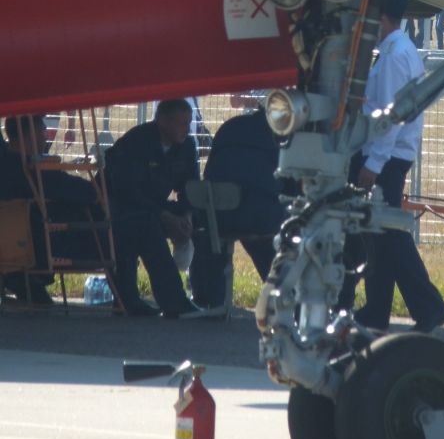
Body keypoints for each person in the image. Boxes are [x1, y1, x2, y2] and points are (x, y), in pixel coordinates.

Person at [352, 0, 444, 333]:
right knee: (379, 234)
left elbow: (389, 115)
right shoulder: (398, 49)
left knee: (390, 236)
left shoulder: (393, 55)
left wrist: (373, 163)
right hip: (390, 154)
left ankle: (429, 308)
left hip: (388, 156)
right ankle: (378, 309)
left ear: (380, 17)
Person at [105, 99, 202, 317]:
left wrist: (187, 215)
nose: (187, 129)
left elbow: (190, 186)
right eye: (182, 123)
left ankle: (206, 292)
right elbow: (127, 190)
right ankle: (172, 302)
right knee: (144, 224)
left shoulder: (186, 146)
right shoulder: (137, 141)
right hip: (119, 205)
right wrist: (165, 216)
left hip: (153, 205)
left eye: (189, 123)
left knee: (205, 220)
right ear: (162, 121)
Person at [188, 108, 288, 309]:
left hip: (217, 215)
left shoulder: (230, 128)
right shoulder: (280, 135)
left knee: (210, 239)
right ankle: (283, 298)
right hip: (261, 218)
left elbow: (210, 173)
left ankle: (208, 299)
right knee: (278, 235)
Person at [0, 114, 103, 305]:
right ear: (25, 137)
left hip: (14, 246)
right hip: (39, 245)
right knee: (102, 216)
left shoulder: (8, 167)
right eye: (41, 133)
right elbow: (86, 192)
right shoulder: (33, 171)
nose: (45, 138)